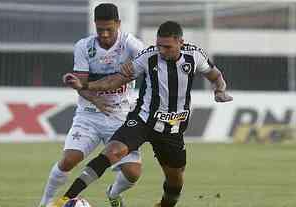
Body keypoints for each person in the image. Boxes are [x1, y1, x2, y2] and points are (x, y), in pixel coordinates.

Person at [60, 21, 233, 207]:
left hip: (172, 129)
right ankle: (64, 199)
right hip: (143, 120)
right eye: (159, 45)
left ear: (180, 42)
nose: (162, 50)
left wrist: (220, 90)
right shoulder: (148, 57)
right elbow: (113, 81)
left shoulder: (195, 56)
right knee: (112, 151)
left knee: (175, 182)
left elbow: (216, 76)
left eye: (167, 46)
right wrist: (84, 85)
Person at [38, 3, 144, 207]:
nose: (104, 34)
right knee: (70, 159)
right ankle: (46, 202)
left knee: (133, 173)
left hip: (120, 117)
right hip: (89, 115)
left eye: (109, 29)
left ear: (118, 24)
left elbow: (150, 63)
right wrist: (95, 99)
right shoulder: (84, 46)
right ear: (94, 25)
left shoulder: (131, 45)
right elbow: (81, 82)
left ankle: (113, 193)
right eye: (100, 29)